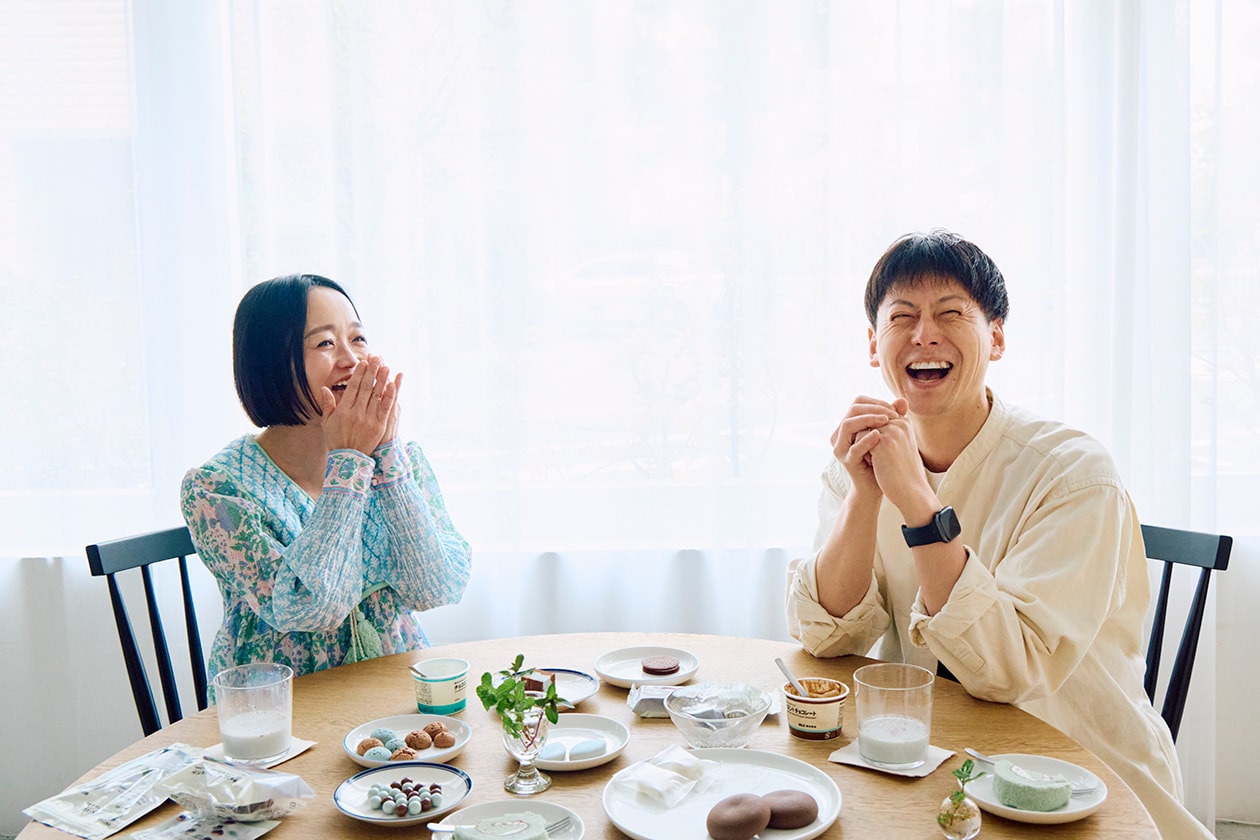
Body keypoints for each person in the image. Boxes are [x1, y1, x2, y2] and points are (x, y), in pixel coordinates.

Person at [785, 230, 1210, 838]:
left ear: (998, 338)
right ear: (875, 347)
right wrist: (864, 495)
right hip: (937, 769)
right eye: (901, 317)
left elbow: (1009, 672)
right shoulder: (861, 462)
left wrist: (917, 502)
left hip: (1082, 780)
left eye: (951, 313)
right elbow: (827, 639)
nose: (923, 334)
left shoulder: (1073, 472)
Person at [182, 274, 471, 682]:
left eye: (358, 339)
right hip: (282, 714)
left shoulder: (403, 461)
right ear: (268, 362)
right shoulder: (216, 489)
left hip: (394, 698)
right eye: (324, 343)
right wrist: (349, 462)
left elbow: (436, 588)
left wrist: (386, 456)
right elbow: (309, 608)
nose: (351, 360)